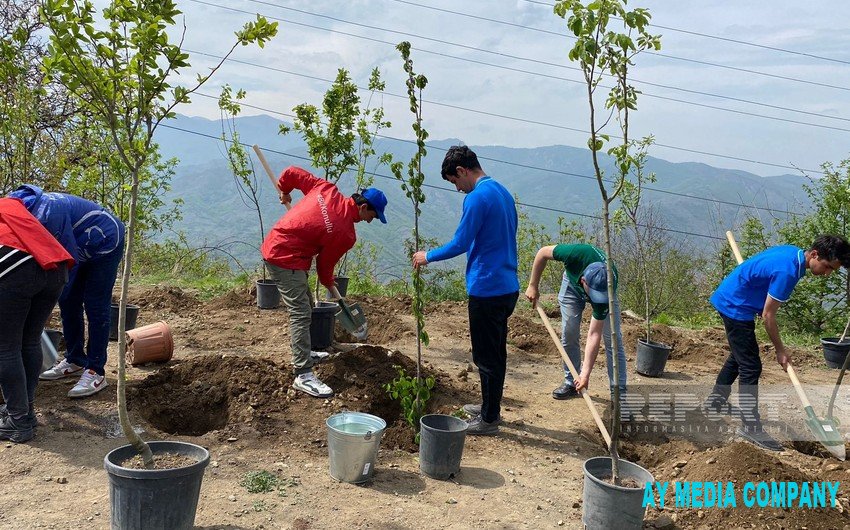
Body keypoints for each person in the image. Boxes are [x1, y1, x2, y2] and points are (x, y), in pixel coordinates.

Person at [412, 146, 519, 436]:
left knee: (485, 357)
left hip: (487, 288)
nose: (457, 189)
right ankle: (489, 407)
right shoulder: (502, 192)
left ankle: (489, 420)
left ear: (462, 171)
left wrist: (427, 256)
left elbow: (460, 243)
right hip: (507, 286)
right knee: (495, 353)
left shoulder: (476, 198)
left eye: (454, 182)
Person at [708, 235, 850, 451]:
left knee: (740, 356)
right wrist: (780, 351)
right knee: (750, 366)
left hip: (734, 296)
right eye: (828, 267)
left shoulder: (792, 253)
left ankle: (715, 401)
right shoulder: (788, 272)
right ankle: (750, 427)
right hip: (735, 305)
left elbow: (761, 276)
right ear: (814, 255)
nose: (828, 273)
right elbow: (768, 316)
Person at [262, 166, 388, 398]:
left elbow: (291, 172)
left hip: (280, 245)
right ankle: (303, 374)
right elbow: (324, 267)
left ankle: (306, 352)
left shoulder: (326, 189)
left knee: (307, 306)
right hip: (284, 257)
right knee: (300, 313)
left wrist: (285, 190)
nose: (371, 221)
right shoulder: (345, 234)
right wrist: (330, 283)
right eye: (373, 215)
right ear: (362, 207)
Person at [9, 185, 124, 398]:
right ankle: (75, 359)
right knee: (68, 300)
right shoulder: (16, 210)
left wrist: (41, 301)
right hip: (79, 243)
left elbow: (66, 260)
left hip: (106, 241)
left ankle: (96, 370)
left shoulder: (48, 214)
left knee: (95, 304)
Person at [0, 197, 73, 442]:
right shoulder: (9, 204)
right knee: (29, 341)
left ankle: (18, 421)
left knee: (4, 347)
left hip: (15, 268)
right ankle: (26, 413)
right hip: (55, 266)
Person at [524, 244, 627, 400]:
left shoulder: (606, 291)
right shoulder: (574, 254)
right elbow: (542, 253)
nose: (595, 299)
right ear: (584, 281)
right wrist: (533, 285)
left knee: (613, 340)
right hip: (572, 285)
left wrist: (585, 374)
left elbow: (594, 334)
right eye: (593, 294)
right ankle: (571, 382)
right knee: (569, 331)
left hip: (600, 288)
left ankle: (619, 396)